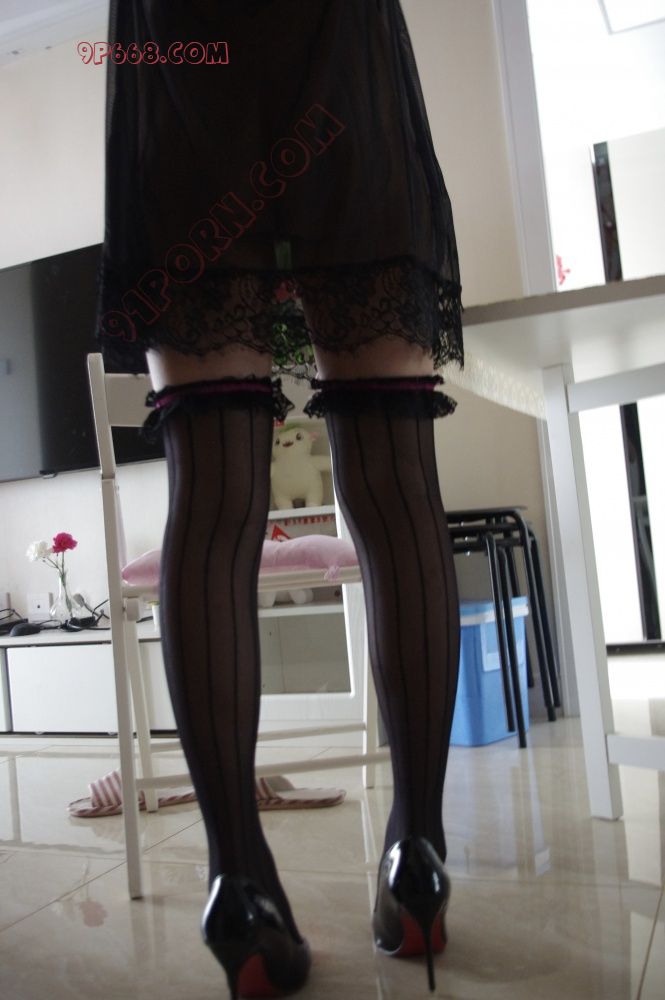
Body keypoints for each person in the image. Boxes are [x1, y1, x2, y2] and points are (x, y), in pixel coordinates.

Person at [95, 2, 464, 997]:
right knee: (395, 484)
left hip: (182, 55)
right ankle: (418, 853)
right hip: (341, 53)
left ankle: (238, 884)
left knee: (213, 496)